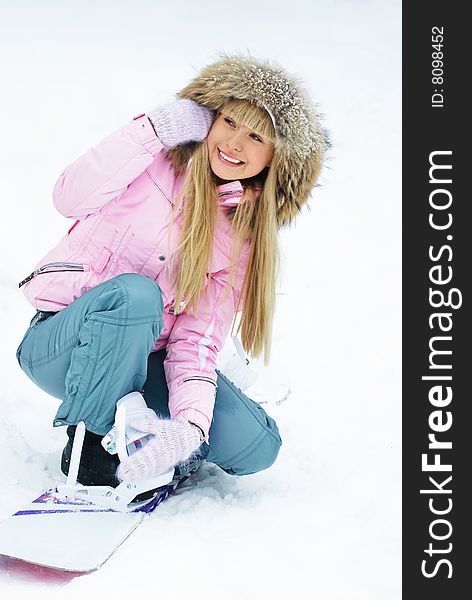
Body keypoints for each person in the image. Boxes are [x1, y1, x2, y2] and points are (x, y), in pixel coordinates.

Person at [16, 54, 329, 489]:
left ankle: (153, 444)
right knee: (135, 295)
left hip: (145, 365)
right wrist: (152, 130)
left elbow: (195, 342)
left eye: (255, 135)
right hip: (63, 345)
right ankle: (89, 452)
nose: (235, 143)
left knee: (257, 444)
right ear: (206, 119)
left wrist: (190, 429)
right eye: (229, 122)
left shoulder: (244, 237)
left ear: (275, 159)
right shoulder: (152, 157)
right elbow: (68, 198)